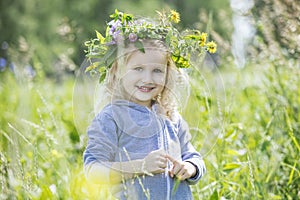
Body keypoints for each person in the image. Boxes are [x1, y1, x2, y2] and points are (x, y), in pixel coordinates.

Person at [83, 9, 216, 200]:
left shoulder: (171, 115)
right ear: (119, 71)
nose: (147, 79)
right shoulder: (112, 117)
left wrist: (190, 168)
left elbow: (192, 156)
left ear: (168, 74)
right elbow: (92, 170)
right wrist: (140, 166)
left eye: (157, 70)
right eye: (138, 69)